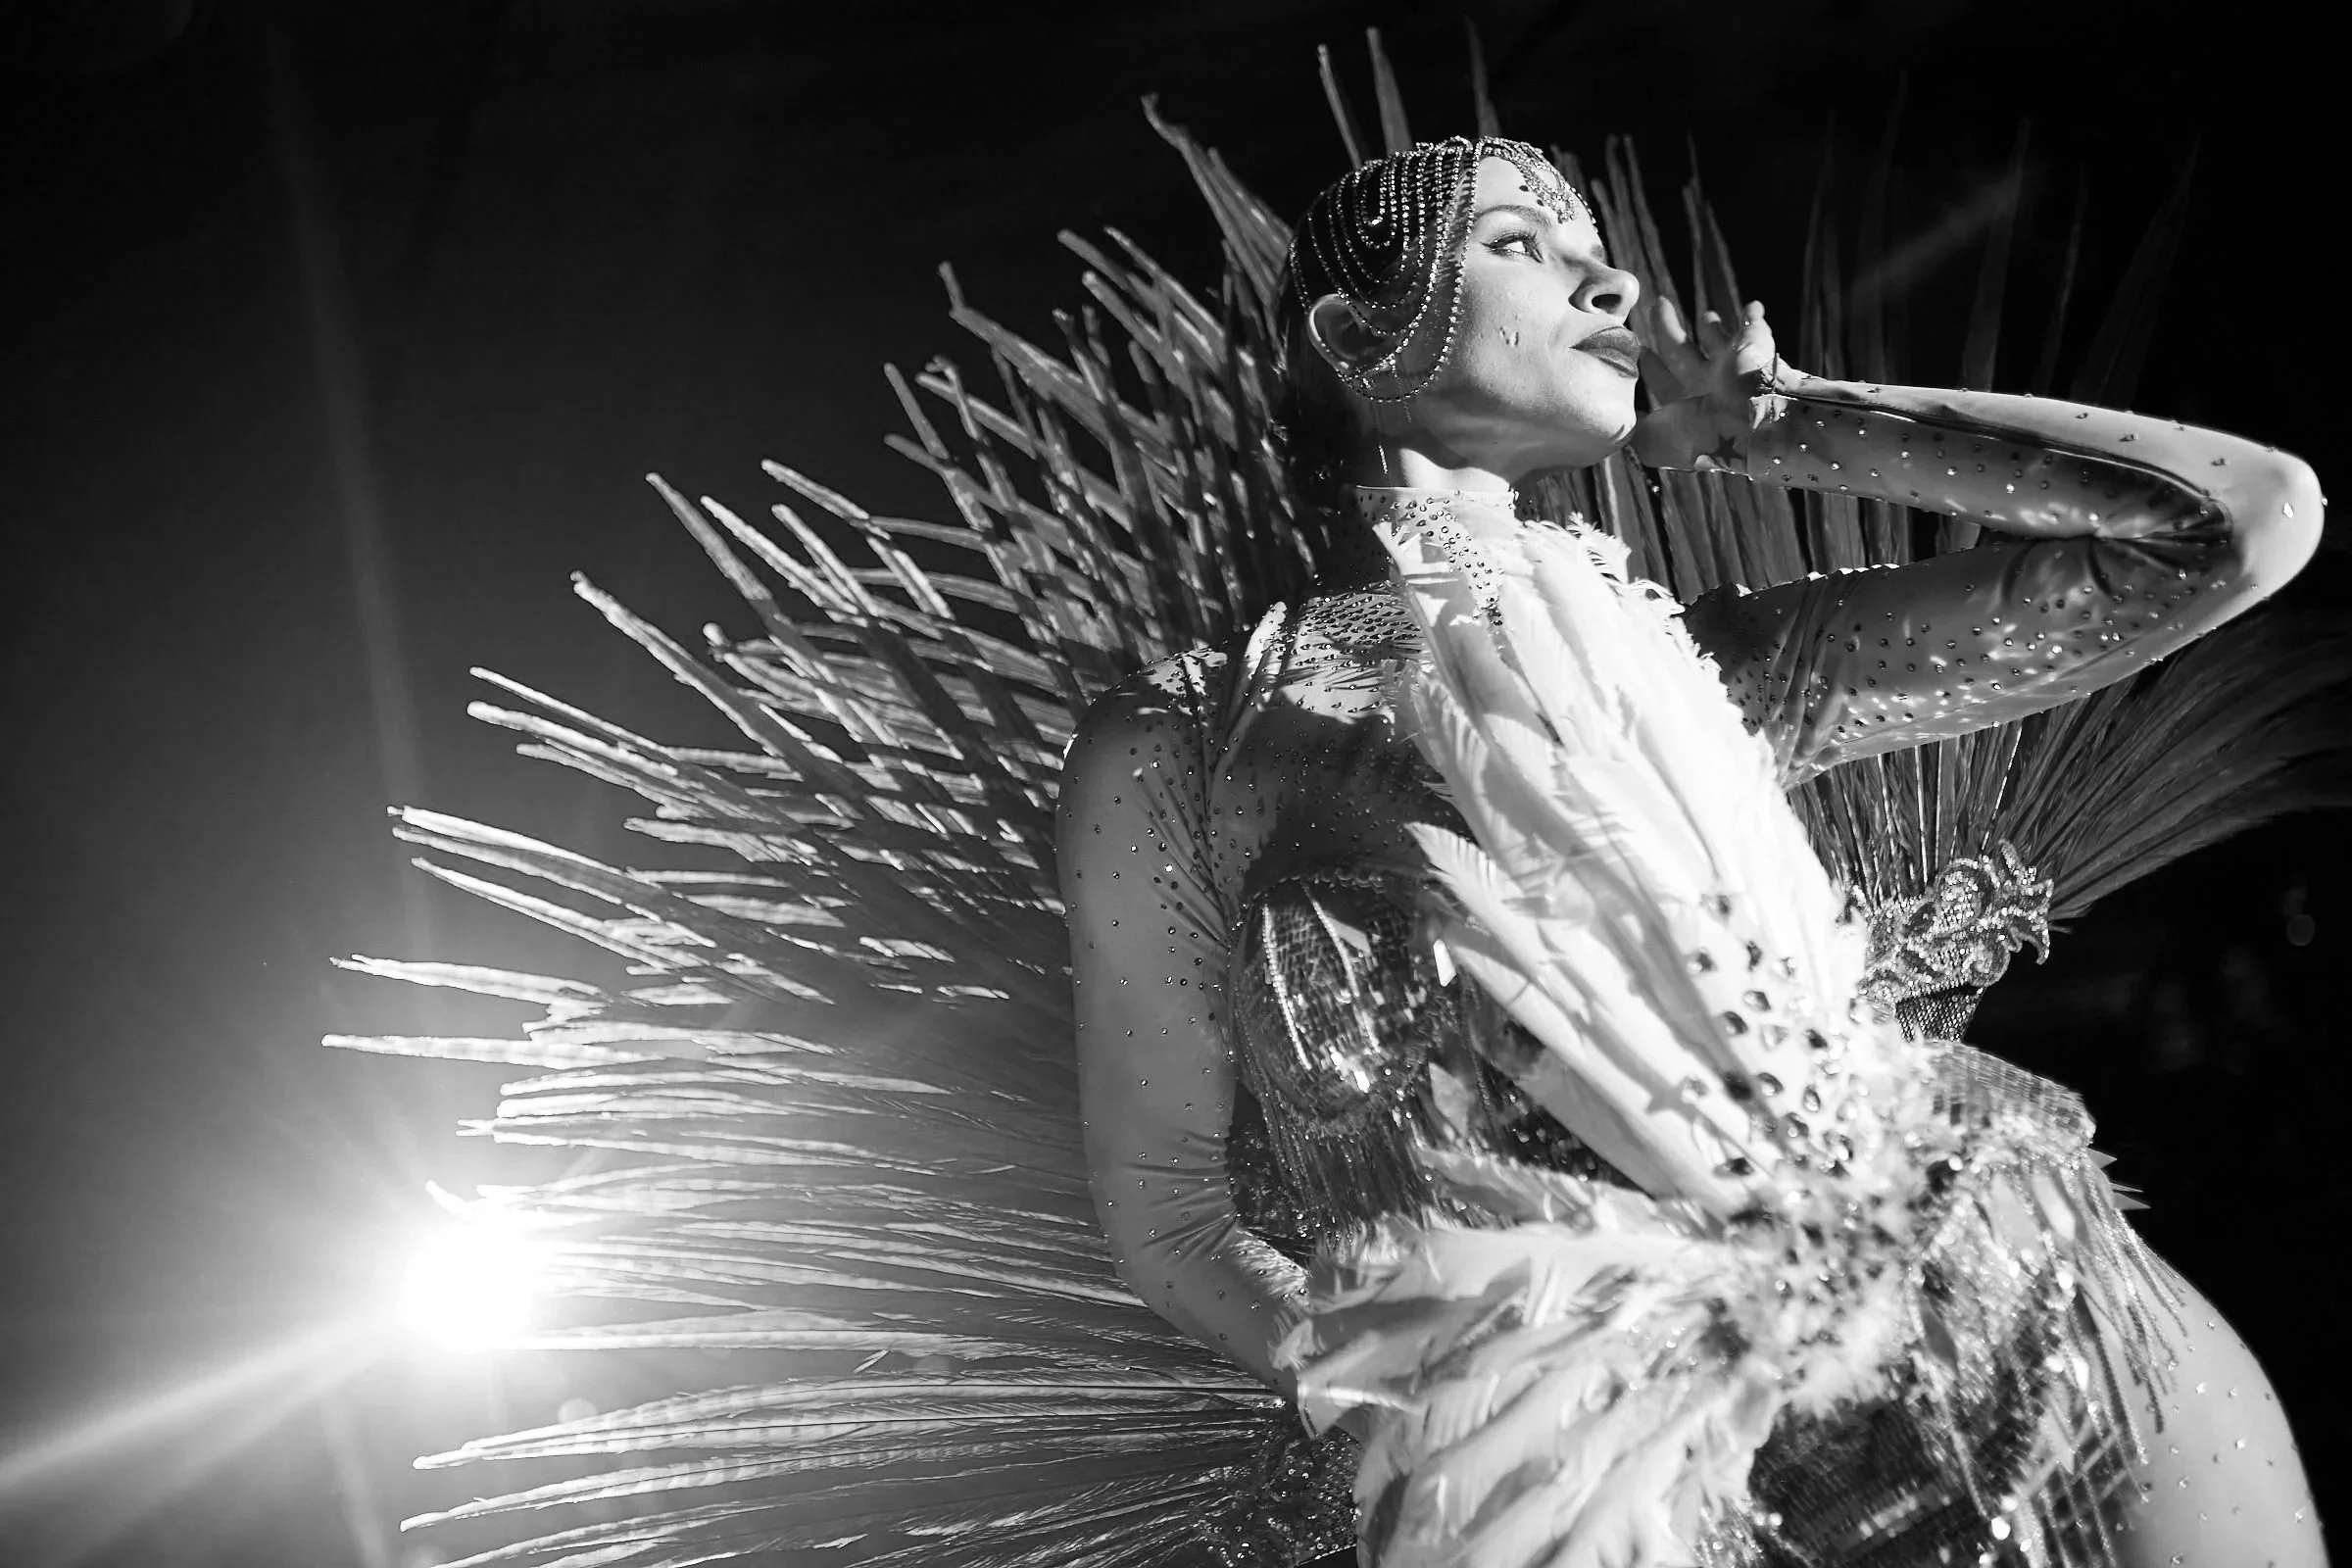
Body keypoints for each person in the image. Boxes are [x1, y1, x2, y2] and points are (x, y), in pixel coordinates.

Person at [1056, 136, 2325, 1566]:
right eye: (1522, 243)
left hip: (2015, 1310)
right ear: (1357, 336)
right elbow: (1169, 1209)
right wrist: (1451, 1402)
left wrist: (1786, 424)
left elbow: (2233, 526)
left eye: (1591, 239)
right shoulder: (1183, 749)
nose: (1610, 276)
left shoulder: (1710, 663)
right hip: (1648, 1498)